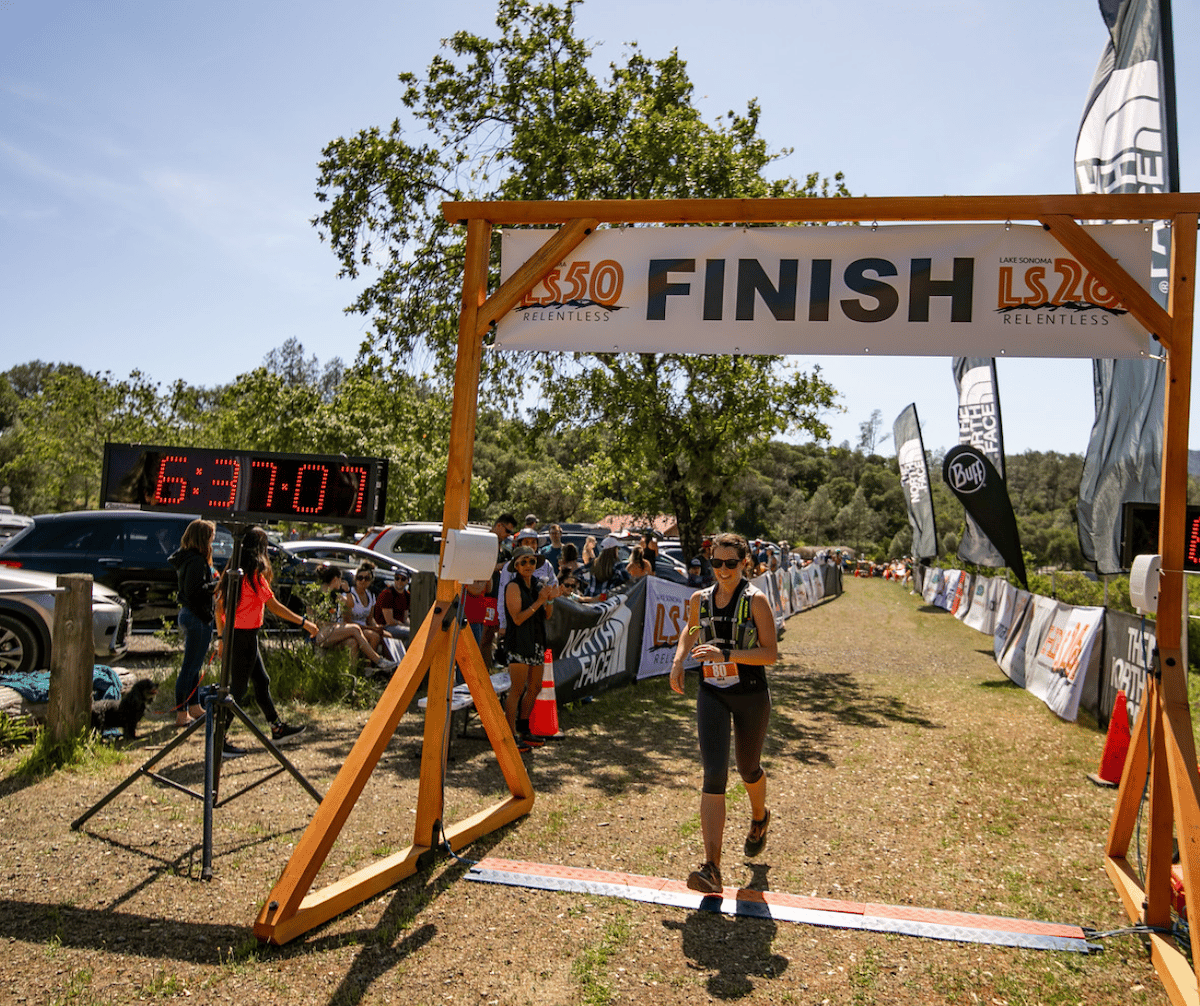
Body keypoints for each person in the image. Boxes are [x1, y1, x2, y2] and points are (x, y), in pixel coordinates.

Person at [669, 532, 779, 895]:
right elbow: (692, 627)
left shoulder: (756, 601)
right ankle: (712, 868)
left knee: (748, 768)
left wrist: (726, 656)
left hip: (749, 694)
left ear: (744, 562)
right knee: (714, 773)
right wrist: (679, 658)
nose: (723, 570)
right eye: (716, 563)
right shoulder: (700, 599)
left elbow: (769, 654)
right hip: (712, 693)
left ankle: (759, 817)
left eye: (730, 563)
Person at [216, 526, 317, 747]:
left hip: (237, 635)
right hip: (245, 637)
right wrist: (304, 622)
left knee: (261, 681)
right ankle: (218, 739)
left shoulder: (232, 572)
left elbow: (218, 608)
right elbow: (274, 606)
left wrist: (222, 638)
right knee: (238, 689)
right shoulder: (254, 577)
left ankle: (277, 728)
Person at [503, 546, 563, 752]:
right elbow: (517, 619)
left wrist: (550, 599)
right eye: (523, 562)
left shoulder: (538, 584)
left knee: (535, 688)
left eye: (531, 561)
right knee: (517, 690)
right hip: (519, 642)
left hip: (536, 641)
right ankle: (509, 734)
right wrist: (539, 601)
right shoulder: (512, 587)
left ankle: (523, 729)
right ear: (516, 566)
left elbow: (547, 615)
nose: (528, 565)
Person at [169, 518, 217, 725]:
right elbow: (195, 591)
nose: (212, 544)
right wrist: (216, 585)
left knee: (195, 667)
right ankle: (181, 714)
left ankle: (196, 707)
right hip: (197, 617)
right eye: (211, 539)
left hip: (192, 615)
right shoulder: (196, 561)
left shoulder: (188, 559)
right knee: (189, 668)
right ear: (203, 539)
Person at [312, 564, 397, 672]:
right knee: (354, 628)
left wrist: (347, 591)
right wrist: (338, 625)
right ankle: (378, 660)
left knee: (352, 642)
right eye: (340, 579)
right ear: (335, 579)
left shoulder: (334, 595)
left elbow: (350, 604)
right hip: (320, 633)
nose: (341, 581)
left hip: (331, 631)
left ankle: (353, 675)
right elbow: (317, 622)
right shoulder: (317, 594)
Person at [344, 562, 384, 651]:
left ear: (370, 581)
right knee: (374, 636)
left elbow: (370, 619)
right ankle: (368, 662)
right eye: (360, 578)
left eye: (366, 578)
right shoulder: (349, 594)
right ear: (355, 579)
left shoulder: (371, 596)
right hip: (352, 628)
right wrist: (371, 629)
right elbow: (347, 621)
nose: (363, 581)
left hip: (365, 627)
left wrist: (376, 627)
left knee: (387, 636)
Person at [373, 568, 411, 640]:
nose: (399, 581)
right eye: (397, 578)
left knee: (417, 632)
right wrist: (403, 624)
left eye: (403, 579)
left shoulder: (407, 595)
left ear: (407, 581)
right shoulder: (387, 594)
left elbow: (405, 618)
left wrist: (412, 626)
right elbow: (389, 621)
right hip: (385, 627)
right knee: (410, 633)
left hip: (398, 625)